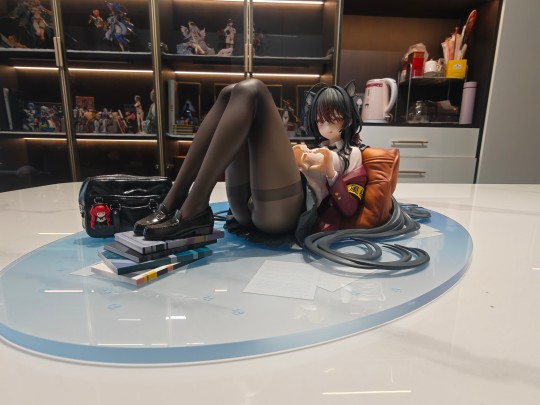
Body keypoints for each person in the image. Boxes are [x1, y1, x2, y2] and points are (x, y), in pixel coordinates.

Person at [134, 78, 365, 242]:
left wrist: (330, 173)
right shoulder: (317, 145)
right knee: (230, 93)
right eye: (320, 119)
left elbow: (349, 208)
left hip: (285, 215)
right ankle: (173, 201)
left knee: (252, 90)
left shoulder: (353, 153)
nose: (325, 124)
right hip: (249, 207)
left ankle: (193, 208)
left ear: (347, 120)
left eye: (334, 118)